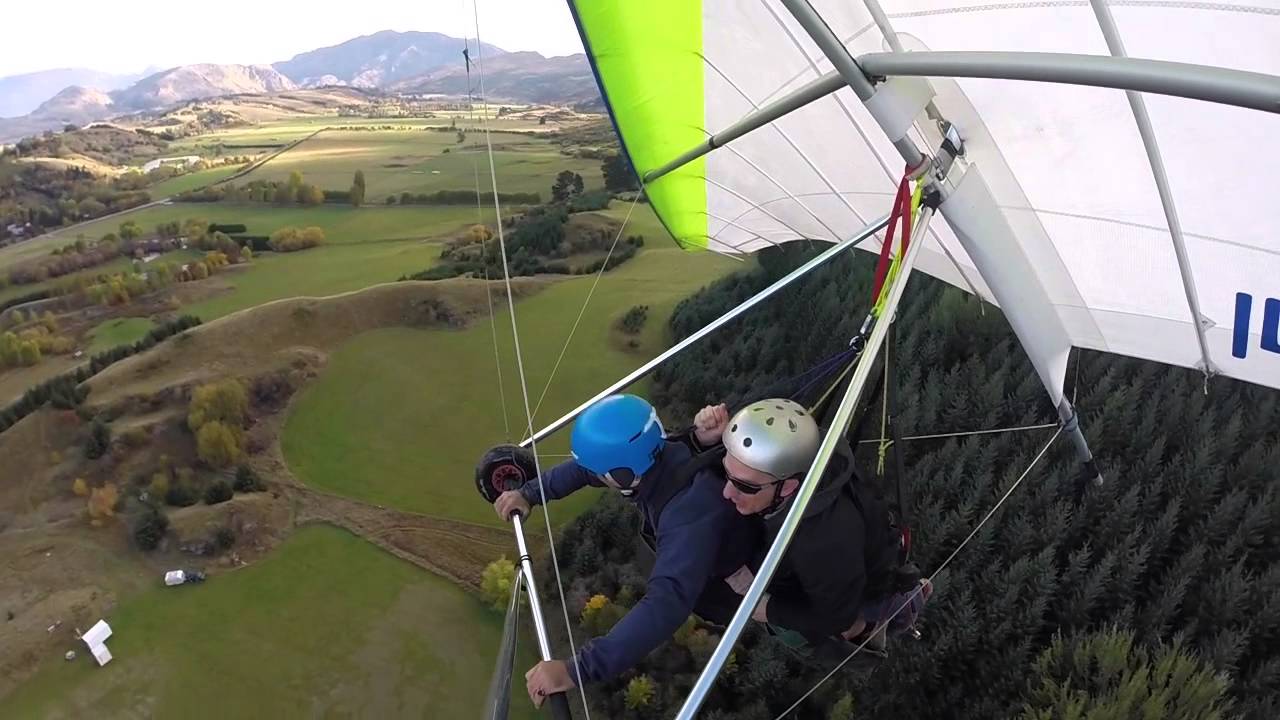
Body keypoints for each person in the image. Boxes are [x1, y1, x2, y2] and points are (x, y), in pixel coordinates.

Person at [486, 394, 756, 707]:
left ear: (621, 477)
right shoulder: (660, 453)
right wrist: (530, 493)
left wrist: (577, 670)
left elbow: (666, 604)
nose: (594, 476)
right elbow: (586, 471)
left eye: (603, 473)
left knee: (785, 621)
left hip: (750, 577)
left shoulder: (688, 514)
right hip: (712, 545)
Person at [694, 398, 931, 653]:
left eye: (744, 486)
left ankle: (885, 619)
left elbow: (836, 616)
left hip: (855, 585)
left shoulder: (822, 542)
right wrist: (702, 440)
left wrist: (769, 610)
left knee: (851, 624)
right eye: (727, 472)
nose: (728, 492)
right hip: (832, 562)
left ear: (788, 487)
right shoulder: (789, 464)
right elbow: (738, 471)